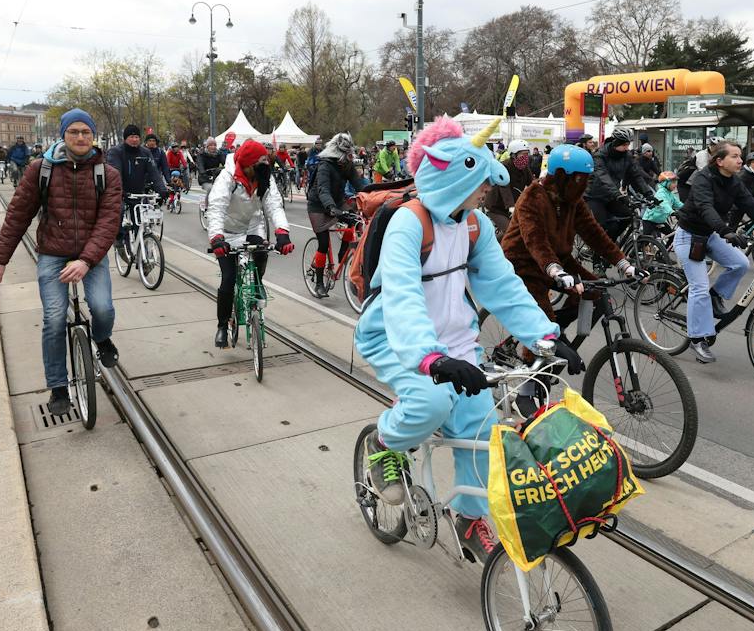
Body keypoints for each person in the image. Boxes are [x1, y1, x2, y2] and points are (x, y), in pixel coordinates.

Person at [356, 118, 582, 559]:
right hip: (395, 339)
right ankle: (384, 443)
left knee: (485, 431)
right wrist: (430, 360)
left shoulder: (474, 224)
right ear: (454, 179)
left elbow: (502, 285)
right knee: (432, 403)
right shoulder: (408, 224)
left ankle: (468, 516)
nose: (484, 192)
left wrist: (546, 338)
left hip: (457, 344)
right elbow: (402, 297)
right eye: (478, 183)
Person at [0, 109, 123, 414]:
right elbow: (17, 215)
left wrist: (87, 260)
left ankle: (102, 339)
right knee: (54, 319)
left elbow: (109, 222)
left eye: (85, 132)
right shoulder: (41, 170)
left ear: (93, 136)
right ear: (63, 135)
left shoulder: (108, 173)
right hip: (53, 251)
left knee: (102, 307)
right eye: (73, 131)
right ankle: (59, 388)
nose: (80, 137)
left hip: (92, 253)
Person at [673, 140, 754, 363]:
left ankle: (715, 297)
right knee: (699, 287)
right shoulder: (703, 179)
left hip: (710, 235)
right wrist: (725, 231)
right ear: (720, 160)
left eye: (740, 156)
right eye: (735, 156)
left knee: (740, 264)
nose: (740, 160)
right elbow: (705, 207)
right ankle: (698, 339)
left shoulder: (734, 181)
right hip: (688, 237)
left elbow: (750, 205)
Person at [501, 144, 634, 324]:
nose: (583, 186)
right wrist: (554, 269)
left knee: (594, 291)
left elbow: (593, 233)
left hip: (559, 260)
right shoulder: (532, 197)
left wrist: (624, 264)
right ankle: (539, 347)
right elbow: (535, 240)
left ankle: (559, 333)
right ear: (562, 176)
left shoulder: (573, 201)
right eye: (580, 180)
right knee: (542, 326)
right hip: (524, 264)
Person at [206, 140, 292, 347]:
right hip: (226, 232)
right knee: (228, 279)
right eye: (257, 166)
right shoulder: (227, 178)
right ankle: (222, 326)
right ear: (246, 165)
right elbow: (216, 208)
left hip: (253, 227)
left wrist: (282, 232)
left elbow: (273, 205)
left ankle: (258, 282)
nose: (262, 170)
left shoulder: (263, 175)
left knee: (262, 253)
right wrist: (217, 238)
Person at [304, 132, 365, 296]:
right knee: (323, 243)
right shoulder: (325, 165)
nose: (349, 157)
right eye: (346, 154)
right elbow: (323, 189)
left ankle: (344, 251)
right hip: (318, 205)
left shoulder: (346, 165)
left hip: (337, 201)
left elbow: (359, 185)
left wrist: (372, 196)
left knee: (355, 219)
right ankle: (318, 282)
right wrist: (331, 207)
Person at [585, 127, 656, 243]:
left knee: (628, 216)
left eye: (628, 145)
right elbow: (603, 177)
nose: (626, 148)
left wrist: (648, 193)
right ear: (615, 142)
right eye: (624, 145)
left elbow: (636, 175)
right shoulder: (599, 155)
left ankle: (611, 247)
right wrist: (618, 194)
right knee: (602, 226)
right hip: (595, 196)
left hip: (612, 196)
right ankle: (597, 255)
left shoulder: (627, 156)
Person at [106, 125, 171, 218]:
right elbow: (115, 174)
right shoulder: (115, 152)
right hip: (121, 193)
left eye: (137, 137)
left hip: (139, 193)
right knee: (118, 220)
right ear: (125, 139)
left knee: (143, 221)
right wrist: (120, 191)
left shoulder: (145, 153)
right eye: (131, 137)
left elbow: (154, 173)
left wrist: (162, 190)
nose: (134, 139)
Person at [482, 143, 534, 237]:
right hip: (496, 207)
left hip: (513, 206)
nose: (526, 158)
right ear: (513, 155)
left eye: (527, 154)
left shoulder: (524, 168)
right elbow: (504, 186)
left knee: (521, 229)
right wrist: (510, 206)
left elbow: (532, 184)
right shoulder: (504, 167)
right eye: (523, 155)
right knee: (511, 232)